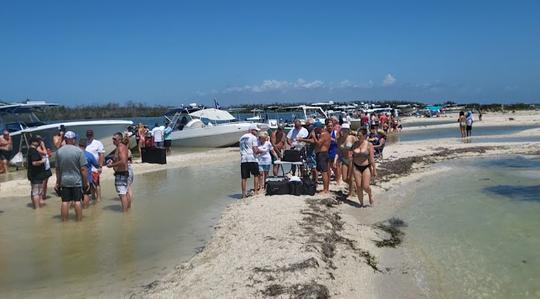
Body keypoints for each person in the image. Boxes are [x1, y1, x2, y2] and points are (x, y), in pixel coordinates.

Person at [55, 131, 89, 221]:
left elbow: (57, 170)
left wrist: (57, 183)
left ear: (65, 140)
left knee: (65, 202)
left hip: (64, 181)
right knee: (77, 201)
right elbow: (83, 169)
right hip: (76, 181)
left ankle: (64, 222)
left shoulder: (59, 152)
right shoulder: (79, 151)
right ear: (74, 140)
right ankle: (79, 221)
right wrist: (86, 182)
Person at [304, 119, 331, 194]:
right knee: (324, 171)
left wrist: (313, 136)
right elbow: (313, 141)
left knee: (324, 172)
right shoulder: (324, 133)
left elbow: (318, 144)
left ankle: (325, 189)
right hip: (321, 153)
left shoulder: (323, 134)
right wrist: (303, 139)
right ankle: (326, 188)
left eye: (316, 128)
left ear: (319, 128)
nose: (315, 130)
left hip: (322, 154)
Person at [351, 128, 376, 207]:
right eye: (357, 135)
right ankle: (361, 204)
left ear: (365, 136)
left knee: (365, 186)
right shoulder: (355, 144)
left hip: (366, 167)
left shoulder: (369, 145)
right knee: (358, 186)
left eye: (360, 135)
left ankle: (369, 194)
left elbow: (371, 158)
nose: (358, 137)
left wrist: (374, 169)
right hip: (356, 166)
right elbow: (352, 157)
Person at [107, 132, 131, 212]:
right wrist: (113, 161)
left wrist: (111, 165)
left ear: (119, 139)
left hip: (121, 174)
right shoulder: (122, 147)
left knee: (122, 195)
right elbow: (121, 159)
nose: (113, 140)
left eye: (114, 139)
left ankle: (125, 214)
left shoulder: (120, 147)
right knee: (126, 192)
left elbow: (123, 161)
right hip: (124, 173)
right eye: (112, 139)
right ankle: (128, 211)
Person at [239, 124, 261, 198]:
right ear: (252, 130)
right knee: (256, 175)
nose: (257, 132)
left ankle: (243, 194)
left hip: (243, 159)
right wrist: (260, 151)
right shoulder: (253, 137)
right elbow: (255, 150)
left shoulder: (241, 137)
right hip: (252, 158)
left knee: (244, 178)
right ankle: (256, 191)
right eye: (256, 130)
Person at [27, 137, 48, 208]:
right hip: (35, 175)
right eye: (37, 141)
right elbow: (34, 163)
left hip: (35, 174)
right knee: (36, 192)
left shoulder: (32, 150)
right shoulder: (33, 150)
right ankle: (37, 208)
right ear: (33, 142)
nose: (39, 142)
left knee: (36, 191)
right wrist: (42, 161)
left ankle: (36, 207)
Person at [78, 138, 99, 208]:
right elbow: (96, 165)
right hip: (87, 178)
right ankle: (85, 209)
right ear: (86, 145)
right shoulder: (89, 155)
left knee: (76, 197)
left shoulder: (75, 154)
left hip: (76, 178)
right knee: (86, 194)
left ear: (78, 144)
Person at [85, 129, 105, 202]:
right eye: (88, 134)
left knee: (96, 183)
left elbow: (101, 154)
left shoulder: (98, 143)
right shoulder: (85, 143)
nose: (89, 135)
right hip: (87, 167)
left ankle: (99, 198)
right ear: (86, 135)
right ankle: (93, 197)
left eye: (90, 134)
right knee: (90, 183)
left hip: (95, 167)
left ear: (93, 135)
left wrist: (100, 166)